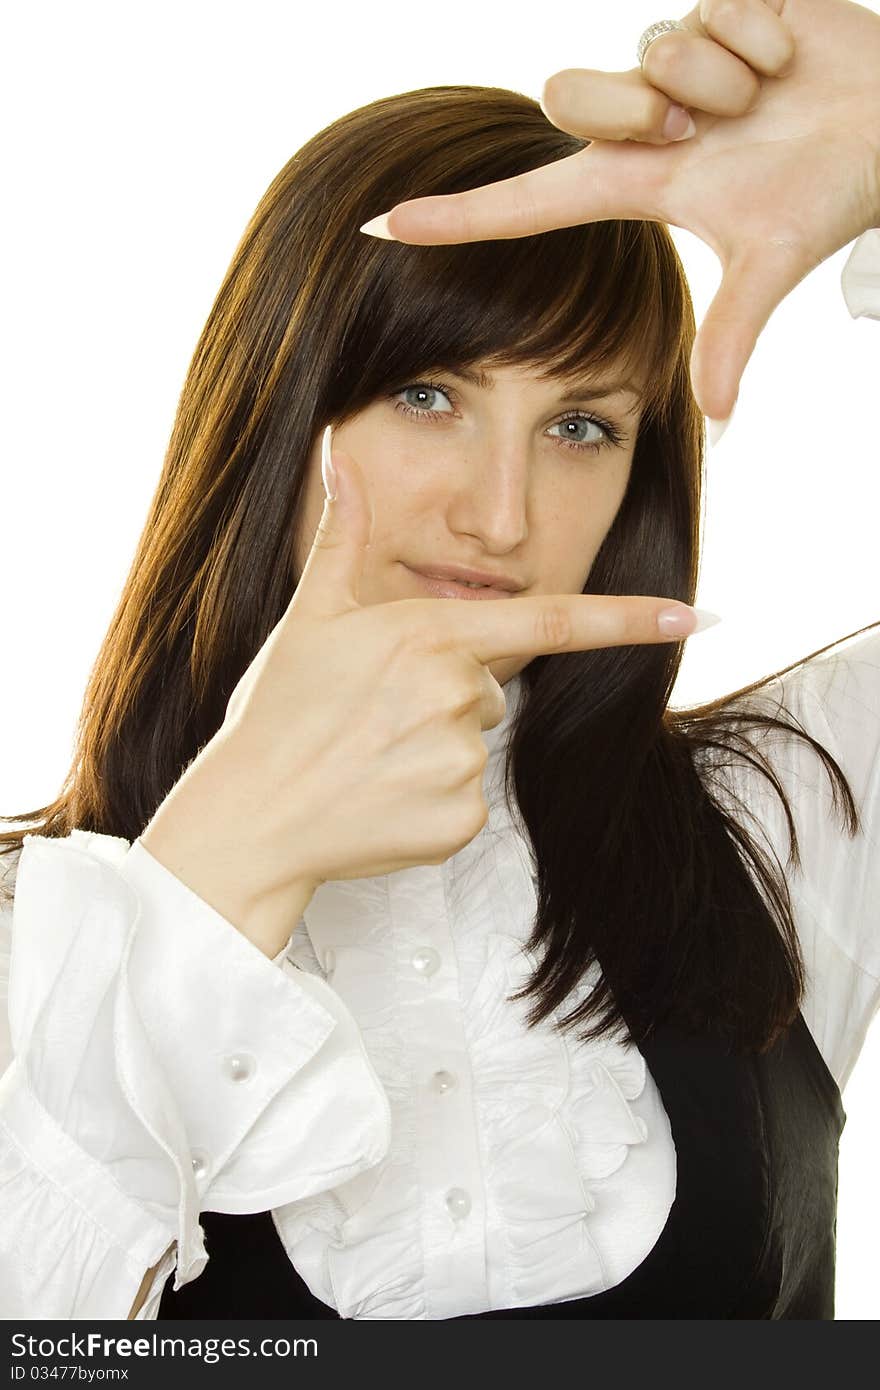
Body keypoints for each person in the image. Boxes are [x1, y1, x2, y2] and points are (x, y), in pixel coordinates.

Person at [1, 0, 878, 1322]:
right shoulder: (29, 942)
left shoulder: (788, 820)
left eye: (581, 425)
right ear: (283, 401)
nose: (503, 515)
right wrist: (222, 859)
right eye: (429, 396)